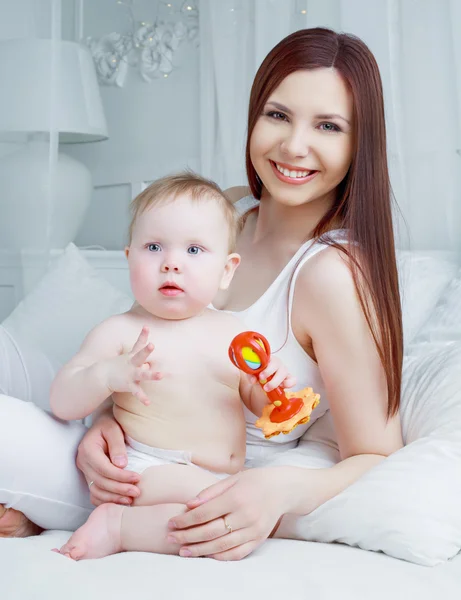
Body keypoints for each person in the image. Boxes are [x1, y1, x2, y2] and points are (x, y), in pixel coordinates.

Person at [0, 27, 404, 562]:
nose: (293, 146)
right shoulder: (230, 209)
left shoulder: (331, 273)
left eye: (328, 126)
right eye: (277, 115)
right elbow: (163, 347)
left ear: (359, 144)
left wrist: (276, 490)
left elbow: (377, 453)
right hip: (119, 432)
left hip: (168, 479)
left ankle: (39, 504)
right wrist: (105, 417)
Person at [49, 172, 296, 559]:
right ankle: (118, 525)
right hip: (149, 468)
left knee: (234, 528)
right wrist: (106, 375)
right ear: (129, 258)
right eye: (153, 247)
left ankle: (129, 526)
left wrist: (270, 387)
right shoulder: (121, 332)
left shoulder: (232, 334)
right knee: (224, 514)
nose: (171, 264)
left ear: (227, 270)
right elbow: (63, 402)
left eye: (194, 250)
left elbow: (258, 405)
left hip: (216, 474)